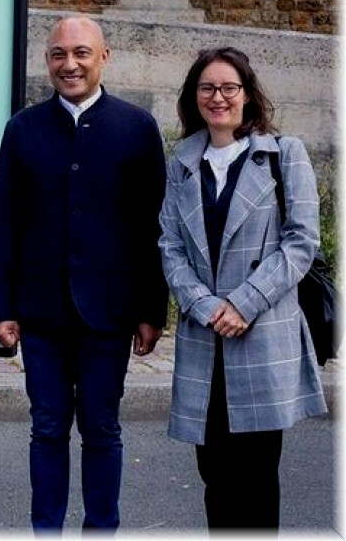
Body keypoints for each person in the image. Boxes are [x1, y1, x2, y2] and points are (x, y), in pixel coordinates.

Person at [0, 15, 168, 532]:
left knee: (102, 429)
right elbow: (4, 219)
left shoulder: (137, 128)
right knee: (46, 429)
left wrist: (152, 311)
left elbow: (154, 228)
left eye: (81, 53)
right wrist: (0, 306)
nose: (70, 64)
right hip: (40, 309)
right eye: (59, 54)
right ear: (47, 62)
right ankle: (46, 529)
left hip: (109, 310)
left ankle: (100, 529)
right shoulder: (22, 129)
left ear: (103, 57)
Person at [159, 47, 326, 531]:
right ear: (194, 97)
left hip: (259, 332)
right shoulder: (183, 161)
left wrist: (243, 303)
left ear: (248, 95)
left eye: (229, 87)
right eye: (207, 88)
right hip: (204, 337)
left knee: (255, 476)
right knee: (214, 474)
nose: (218, 97)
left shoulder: (282, 154)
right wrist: (206, 305)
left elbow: (301, 242)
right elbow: (169, 244)